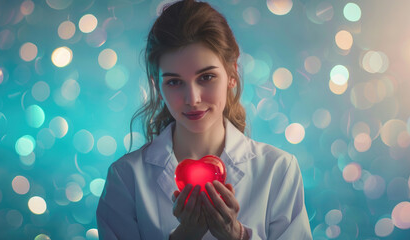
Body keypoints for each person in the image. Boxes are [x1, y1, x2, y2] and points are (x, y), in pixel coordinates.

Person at [96, 0, 313, 239]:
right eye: (174, 82)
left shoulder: (278, 170)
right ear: (157, 85)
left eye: (206, 77)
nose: (192, 98)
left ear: (232, 73)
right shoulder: (126, 178)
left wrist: (238, 236)